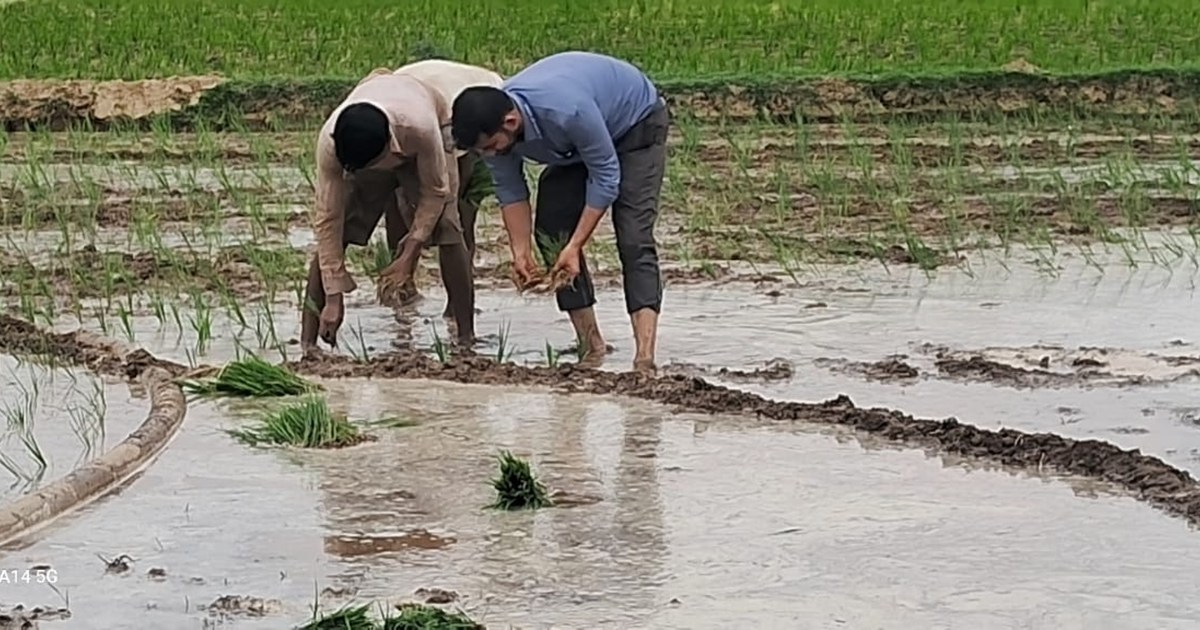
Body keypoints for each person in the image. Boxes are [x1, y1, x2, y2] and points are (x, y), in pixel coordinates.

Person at [450, 51, 670, 376]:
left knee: (634, 237)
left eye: (491, 146)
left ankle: (644, 358)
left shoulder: (566, 110)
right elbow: (511, 190)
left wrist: (577, 245)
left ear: (510, 123)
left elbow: (606, 176)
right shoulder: (495, 133)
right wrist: (520, 251)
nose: (488, 155)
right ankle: (591, 345)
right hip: (575, 143)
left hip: (634, 125)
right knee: (552, 230)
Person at [300, 59, 503, 352]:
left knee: (448, 226)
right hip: (373, 136)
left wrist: (411, 251)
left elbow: (435, 192)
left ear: (389, 147)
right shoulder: (331, 144)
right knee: (340, 228)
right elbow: (328, 221)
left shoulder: (421, 128)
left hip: (425, 125)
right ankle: (308, 344)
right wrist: (334, 298)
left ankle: (465, 337)